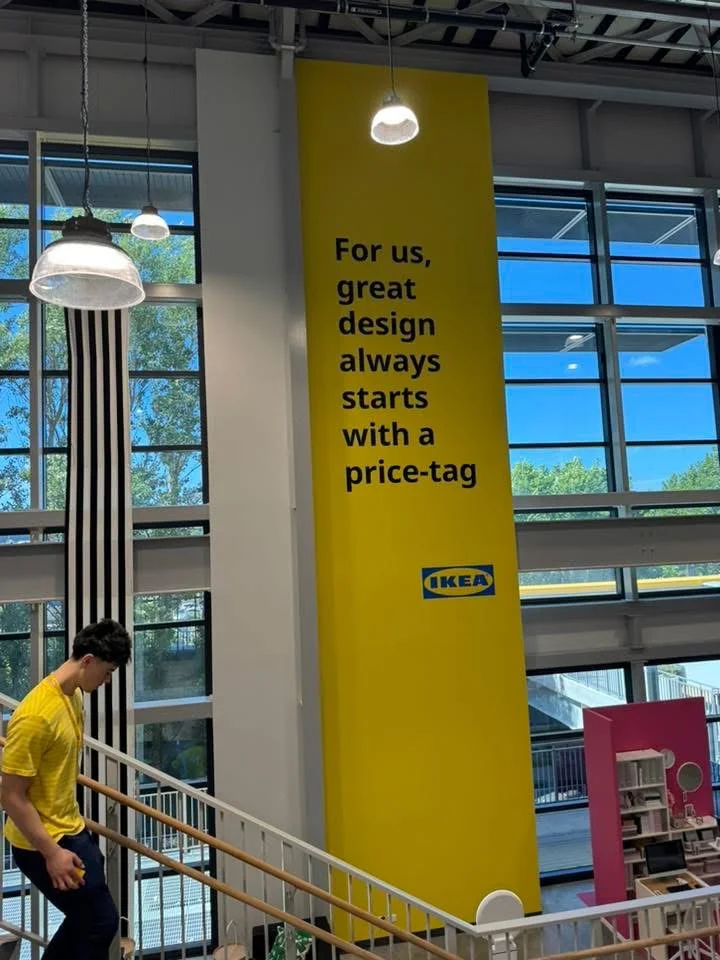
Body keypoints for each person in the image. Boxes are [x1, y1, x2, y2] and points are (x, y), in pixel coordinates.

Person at [0, 618, 132, 960]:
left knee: (89, 920)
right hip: (40, 841)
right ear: (87, 660)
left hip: (70, 827)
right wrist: (52, 853)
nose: (107, 681)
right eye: (107, 672)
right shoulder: (35, 716)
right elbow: (10, 795)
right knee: (101, 922)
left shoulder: (72, 696)